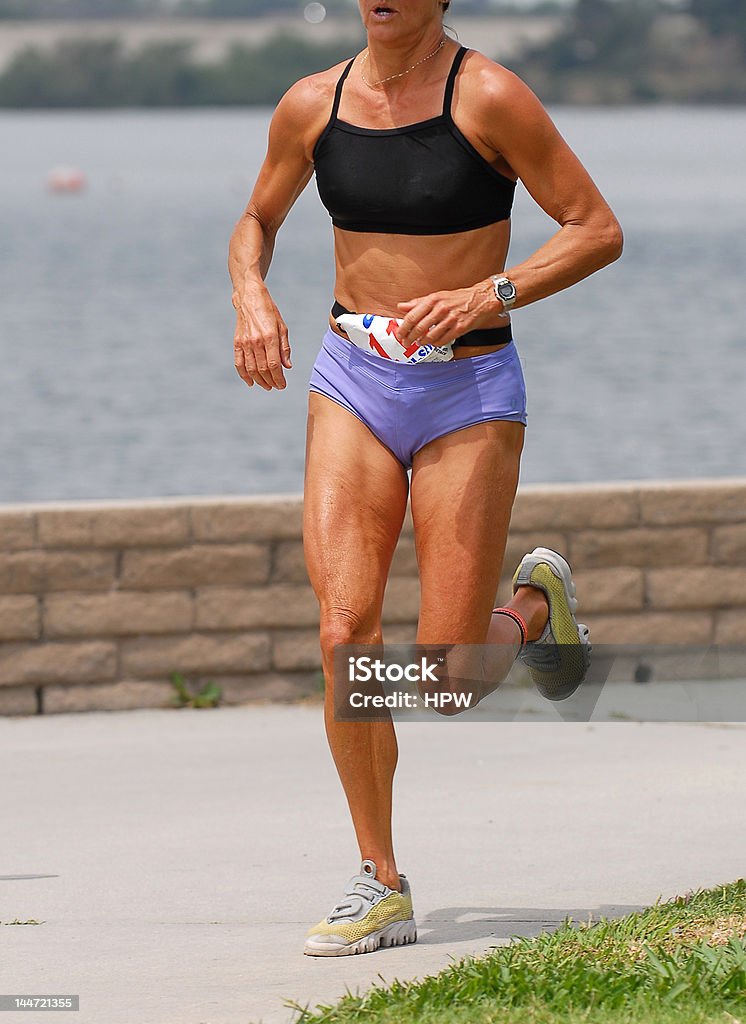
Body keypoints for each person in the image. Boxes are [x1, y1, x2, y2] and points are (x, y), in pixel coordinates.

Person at [228, 0, 623, 958]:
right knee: (343, 632)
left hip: (470, 386)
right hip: (351, 378)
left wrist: (493, 290)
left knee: (451, 681)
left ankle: (533, 605)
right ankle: (381, 882)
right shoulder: (310, 105)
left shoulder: (488, 95)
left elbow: (595, 227)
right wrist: (250, 290)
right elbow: (256, 219)